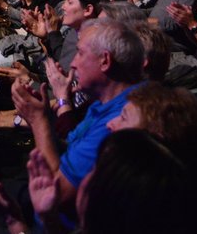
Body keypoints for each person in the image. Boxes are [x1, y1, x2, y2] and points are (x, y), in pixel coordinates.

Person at [12, 18, 144, 209]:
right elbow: (70, 143)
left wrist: (38, 120)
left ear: (105, 61)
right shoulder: (101, 101)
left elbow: (59, 193)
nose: (73, 63)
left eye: (80, 53)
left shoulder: (121, 120)